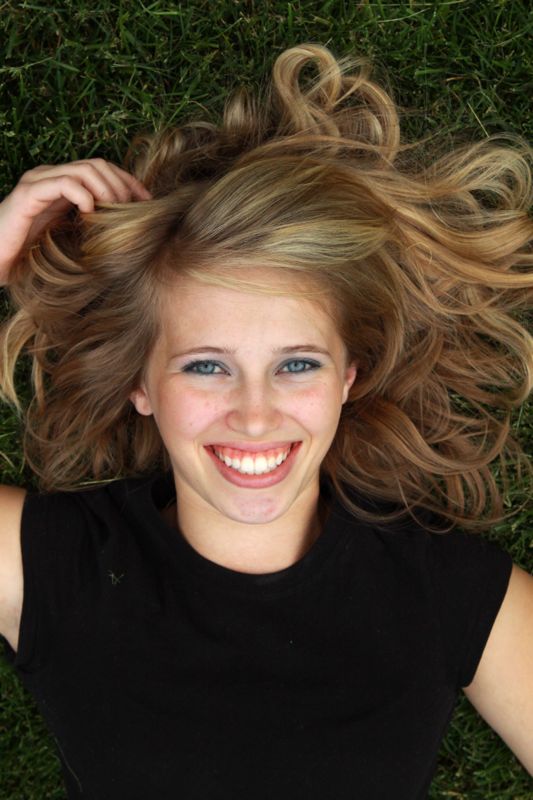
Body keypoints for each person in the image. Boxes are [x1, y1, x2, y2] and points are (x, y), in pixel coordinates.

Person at [0, 42, 532, 799]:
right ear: (141, 385)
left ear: (348, 377)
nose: (254, 416)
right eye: (206, 365)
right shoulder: (57, 564)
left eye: (297, 364)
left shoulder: (444, 590)